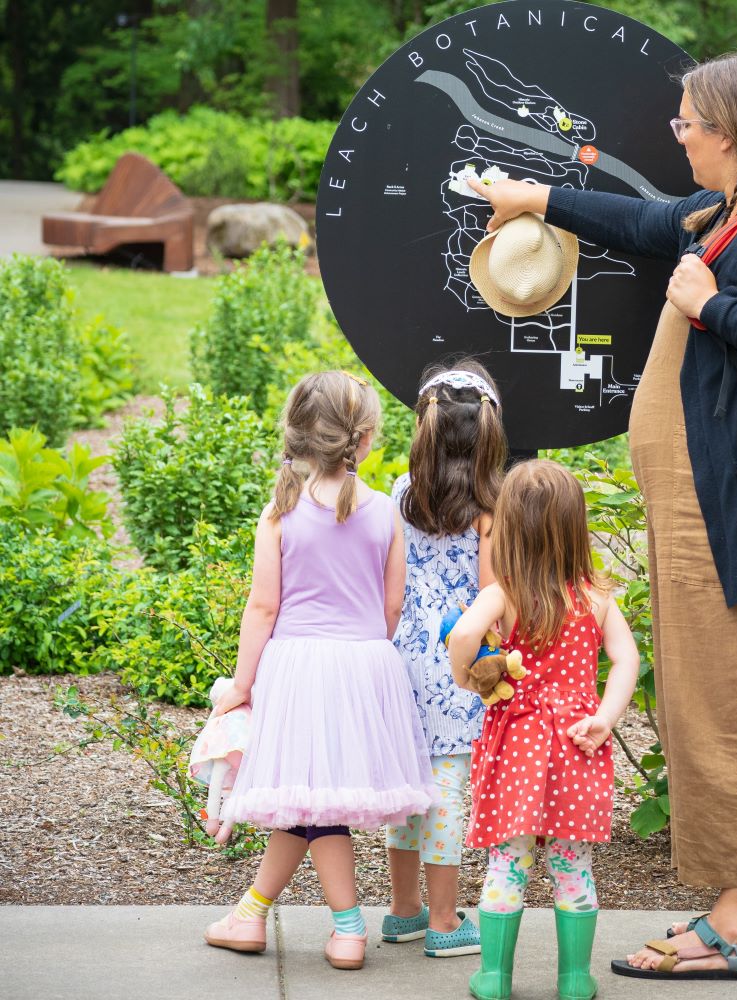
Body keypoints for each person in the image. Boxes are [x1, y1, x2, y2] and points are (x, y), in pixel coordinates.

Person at [469, 52, 737, 981]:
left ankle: (736, 928)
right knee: (725, 697)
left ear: (733, 131)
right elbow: (644, 222)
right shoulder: (733, 207)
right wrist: (537, 198)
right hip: (714, 501)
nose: (678, 136)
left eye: (688, 123)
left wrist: (711, 305)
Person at [203, 370, 434, 970]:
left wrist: (242, 685)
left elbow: (263, 607)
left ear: (301, 436)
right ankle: (252, 914)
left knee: (316, 805)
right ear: (364, 439)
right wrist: (360, 656)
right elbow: (391, 607)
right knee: (310, 803)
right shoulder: (385, 513)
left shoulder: (280, 513)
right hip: (364, 665)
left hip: (298, 669)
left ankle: (346, 928)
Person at [449, 459, 640, 1000]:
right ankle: (575, 979)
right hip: (577, 743)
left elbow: (462, 635)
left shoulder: (503, 593)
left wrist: (467, 678)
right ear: (575, 528)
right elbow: (627, 659)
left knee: (508, 861)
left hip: (518, 746)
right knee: (572, 863)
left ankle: (494, 978)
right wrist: (604, 718)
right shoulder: (595, 596)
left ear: (510, 526)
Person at [382, 359, 507, 958]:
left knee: (409, 786)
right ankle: (443, 919)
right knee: (446, 790)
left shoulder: (400, 494)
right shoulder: (490, 506)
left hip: (402, 653)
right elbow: (490, 593)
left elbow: (391, 581)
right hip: (457, 661)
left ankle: (402, 910)